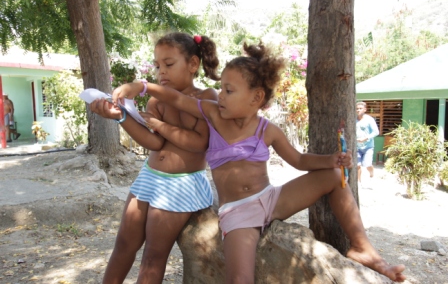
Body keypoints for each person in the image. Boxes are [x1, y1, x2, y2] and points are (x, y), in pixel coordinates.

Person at [112, 42, 406, 283]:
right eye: (222, 88)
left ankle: (362, 247)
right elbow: (175, 99)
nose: (221, 96)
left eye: (229, 90)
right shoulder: (213, 114)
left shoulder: (268, 129)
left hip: (272, 199)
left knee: (333, 175)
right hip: (239, 214)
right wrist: (143, 87)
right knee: (240, 279)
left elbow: (300, 160)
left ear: (256, 97)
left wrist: (332, 159)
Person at [89, 32, 220, 284]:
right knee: (124, 244)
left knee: (153, 257)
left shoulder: (206, 98)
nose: (162, 71)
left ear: (193, 64)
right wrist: (121, 118)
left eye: (169, 64)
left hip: (181, 185)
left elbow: (199, 143)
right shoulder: (156, 100)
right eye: (158, 65)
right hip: (149, 178)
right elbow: (154, 143)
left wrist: (160, 124)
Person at [356, 101, 379, 183]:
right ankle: (359, 183)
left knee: (367, 165)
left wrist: (365, 138)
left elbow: (376, 132)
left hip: (368, 147)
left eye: (360, 108)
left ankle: (371, 172)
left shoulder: (369, 119)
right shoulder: (353, 120)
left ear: (365, 109)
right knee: (357, 165)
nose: (358, 110)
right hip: (357, 147)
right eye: (357, 108)